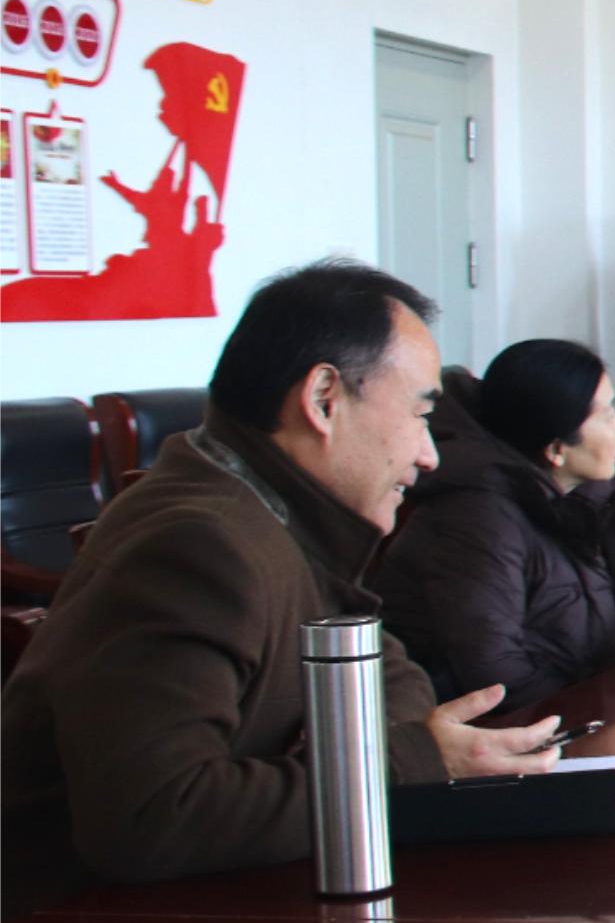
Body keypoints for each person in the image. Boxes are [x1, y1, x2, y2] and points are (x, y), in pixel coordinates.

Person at [1, 261, 564, 889]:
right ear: (323, 399)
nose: (429, 455)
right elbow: (154, 819)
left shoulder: (286, 511)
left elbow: (392, 675)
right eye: (418, 414)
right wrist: (408, 760)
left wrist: (342, 755)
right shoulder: (198, 544)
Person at [373, 338, 615, 708]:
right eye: (606, 415)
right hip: (487, 726)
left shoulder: (575, 500)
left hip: (566, 710)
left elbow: (601, 632)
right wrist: (595, 715)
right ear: (556, 449)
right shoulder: (477, 516)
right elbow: (495, 677)